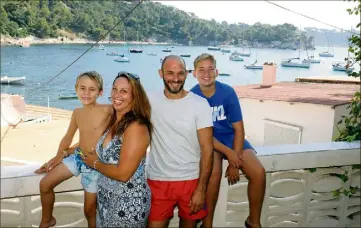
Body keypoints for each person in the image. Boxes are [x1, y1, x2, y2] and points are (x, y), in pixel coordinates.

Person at [190, 53, 266, 228]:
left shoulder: (228, 93)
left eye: (210, 69)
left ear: (217, 71)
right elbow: (205, 136)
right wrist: (230, 154)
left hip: (232, 138)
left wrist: (234, 162)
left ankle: (253, 221)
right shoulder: (192, 97)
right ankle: (207, 224)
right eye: (201, 69)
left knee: (259, 173)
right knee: (213, 174)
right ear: (194, 73)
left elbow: (239, 129)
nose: (206, 73)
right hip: (211, 142)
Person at [34, 71, 112, 228]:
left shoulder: (108, 110)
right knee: (45, 184)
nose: (86, 93)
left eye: (92, 89)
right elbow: (68, 137)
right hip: (78, 157)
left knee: (89, 210)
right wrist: (58, 156)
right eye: (82, 88)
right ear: (76, 89)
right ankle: (47, 220)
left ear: (100, 92)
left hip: (95, 165)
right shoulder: (77, 113)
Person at [146, 55, 214, 228]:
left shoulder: (200, 104)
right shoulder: (148, 100)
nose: (175, 79)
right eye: (170, 73)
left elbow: (207, 149)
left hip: (191, 180)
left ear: (187, 74)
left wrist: (201, 189)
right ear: (160, 73)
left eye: (180, 73)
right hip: (157, 180)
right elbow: (119, 110)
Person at [81, 72, 152, 227]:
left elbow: (123, 173)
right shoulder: (114, 120)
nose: (116, 95)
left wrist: (95, 164)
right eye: (114, 89)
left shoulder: (136, 127)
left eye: (124, 91)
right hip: (107, 201)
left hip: (127, 204)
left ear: (135, 96)